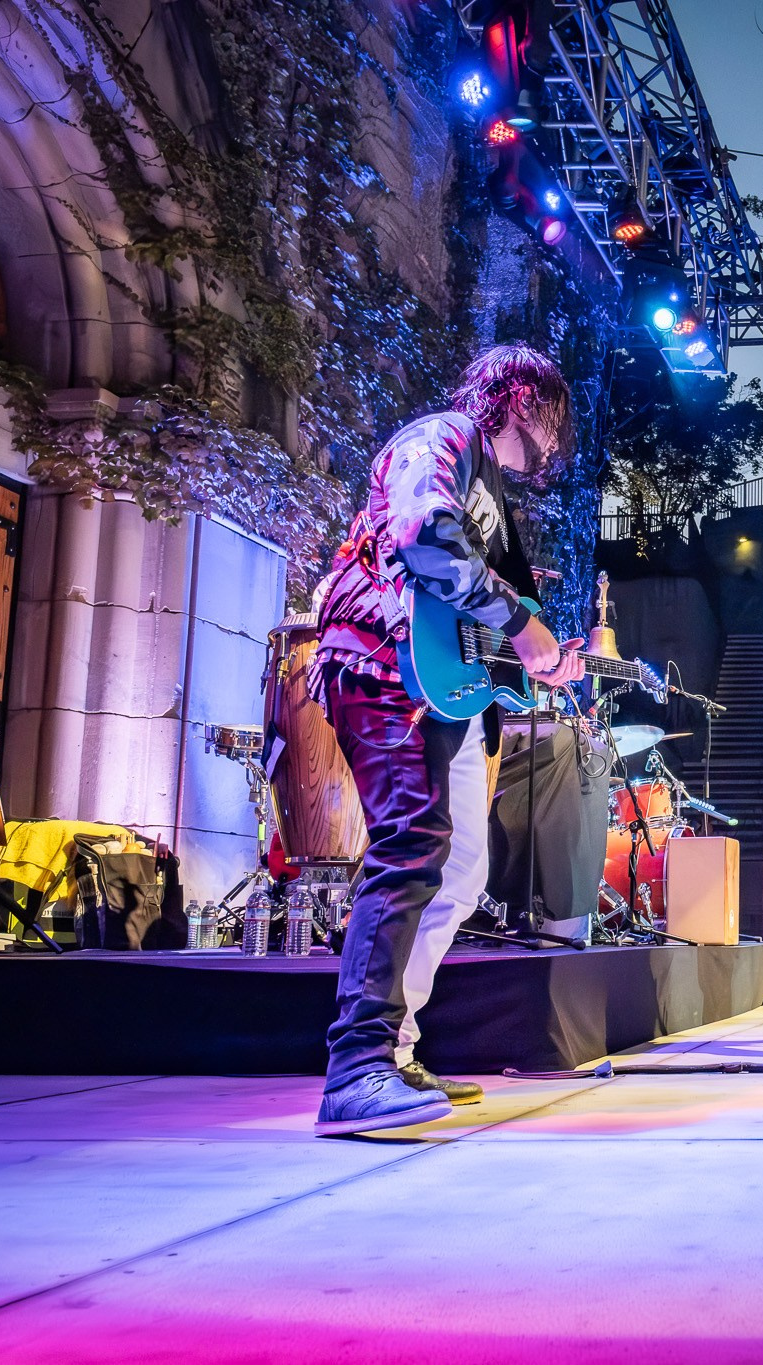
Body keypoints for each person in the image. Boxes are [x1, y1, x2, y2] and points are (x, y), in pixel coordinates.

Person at [309, 343, 586, 1137]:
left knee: (461, 868)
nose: (557, 443)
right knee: (412, 846)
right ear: (524, 399)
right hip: (382, 657)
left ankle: (391, 1052)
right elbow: (424, 530)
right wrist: (521, 619)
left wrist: (543, 654)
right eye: (554, 419)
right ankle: (355, 1068)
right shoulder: (447, 435)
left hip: (445, 689)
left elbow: (484, 620)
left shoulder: (493, 494)